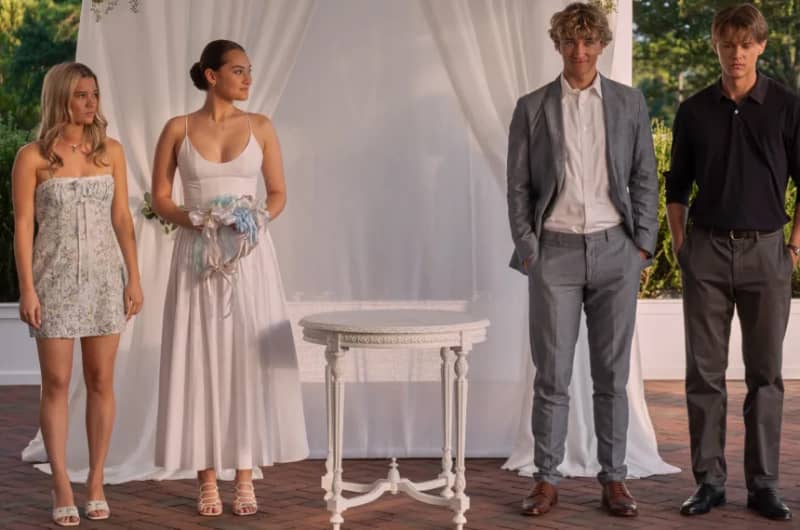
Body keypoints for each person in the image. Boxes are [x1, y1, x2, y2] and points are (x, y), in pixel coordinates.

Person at [506, 2, 658, 518]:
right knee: (551, 376)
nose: (579, 50)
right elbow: (518, 187)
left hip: (616, 251)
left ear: (601, 45)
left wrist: (642, 246)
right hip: (555, 254)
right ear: (558, 44)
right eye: (570, 41)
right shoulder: (532, 107)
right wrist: (531, 250)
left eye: (589, 41)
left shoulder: (629, 103)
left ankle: (614, 479)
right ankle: (546, 480)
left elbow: (644, 175)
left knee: (611, 377)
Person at [151, 39, 309, 517]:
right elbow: (160, 197)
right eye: (239, 70)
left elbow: (278, 192)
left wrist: (255, 218)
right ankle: (205, 478)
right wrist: (194, 219)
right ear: (211, 75)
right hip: (197, 254)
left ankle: (243, 474)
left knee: (245, 358)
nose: (248, 79)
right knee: (199, 357)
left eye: (249, 71)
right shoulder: (177, 128)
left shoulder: (261, 126)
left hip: (248, 256)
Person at [667, 3, 797, 521]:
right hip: (707, 252)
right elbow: (677, 186)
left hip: (768, 252)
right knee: (704, 374)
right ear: (716, 46)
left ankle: (764, 485)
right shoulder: (693, 110)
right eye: (727, 44)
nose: (736, 53)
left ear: (761, 46)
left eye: (746, 44)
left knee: (766, 375)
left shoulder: (787, 106)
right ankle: (710, 483)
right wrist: (682, 246)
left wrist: (794, 248)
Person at [11, 62, 143, 526]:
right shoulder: (32, 158)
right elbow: (23, 226)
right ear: (60, 99)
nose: (91, 103)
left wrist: (133, 277)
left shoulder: (111, 151)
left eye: (95, 95)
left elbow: (122, 219)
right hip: (54, 282)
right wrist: (27, 288)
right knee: (57, 383)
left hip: (105, 280)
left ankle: (96, 481)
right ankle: (61, 482)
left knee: (102, 380)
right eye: (81, 95)